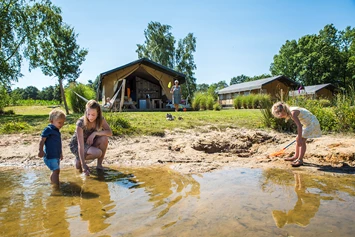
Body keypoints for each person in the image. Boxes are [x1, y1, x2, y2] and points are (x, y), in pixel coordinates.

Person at [271, 101, 321, 167]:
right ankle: (296, 156)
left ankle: (300, 160)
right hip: (307, 124)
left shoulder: (293, 113)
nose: (279, 116)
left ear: (283, 110)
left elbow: (299, 126)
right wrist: (298, 137)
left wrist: (300, 138)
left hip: (312, 124)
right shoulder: (290, 110)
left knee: (302, 141)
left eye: (279, 113)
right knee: (297, 139)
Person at [70, 100, 113, 175]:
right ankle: (79, 159)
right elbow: (80, 145)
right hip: (77, 145)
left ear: (98, 113)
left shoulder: (101, 119)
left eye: (93, 115)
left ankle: (99, 165)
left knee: (104, 138)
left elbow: (109, 132)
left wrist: (95, 133)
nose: (90, 117)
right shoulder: (80, 123)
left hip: (90, 142)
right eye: (88, 114)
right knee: (98, 153)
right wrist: (83, 165)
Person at [38, 109, 66, 187]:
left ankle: (54, 183)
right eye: (59, 122)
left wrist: (60, 153)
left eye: (63, 123)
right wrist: (40, 150)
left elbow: (58, 144)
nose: (61, 124)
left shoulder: (57, 131)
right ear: (51, 121)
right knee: (56, 170)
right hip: (50, 155)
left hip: (56, 155)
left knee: (56, 171)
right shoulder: (48, 129)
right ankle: (56, 187)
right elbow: (42, 139)